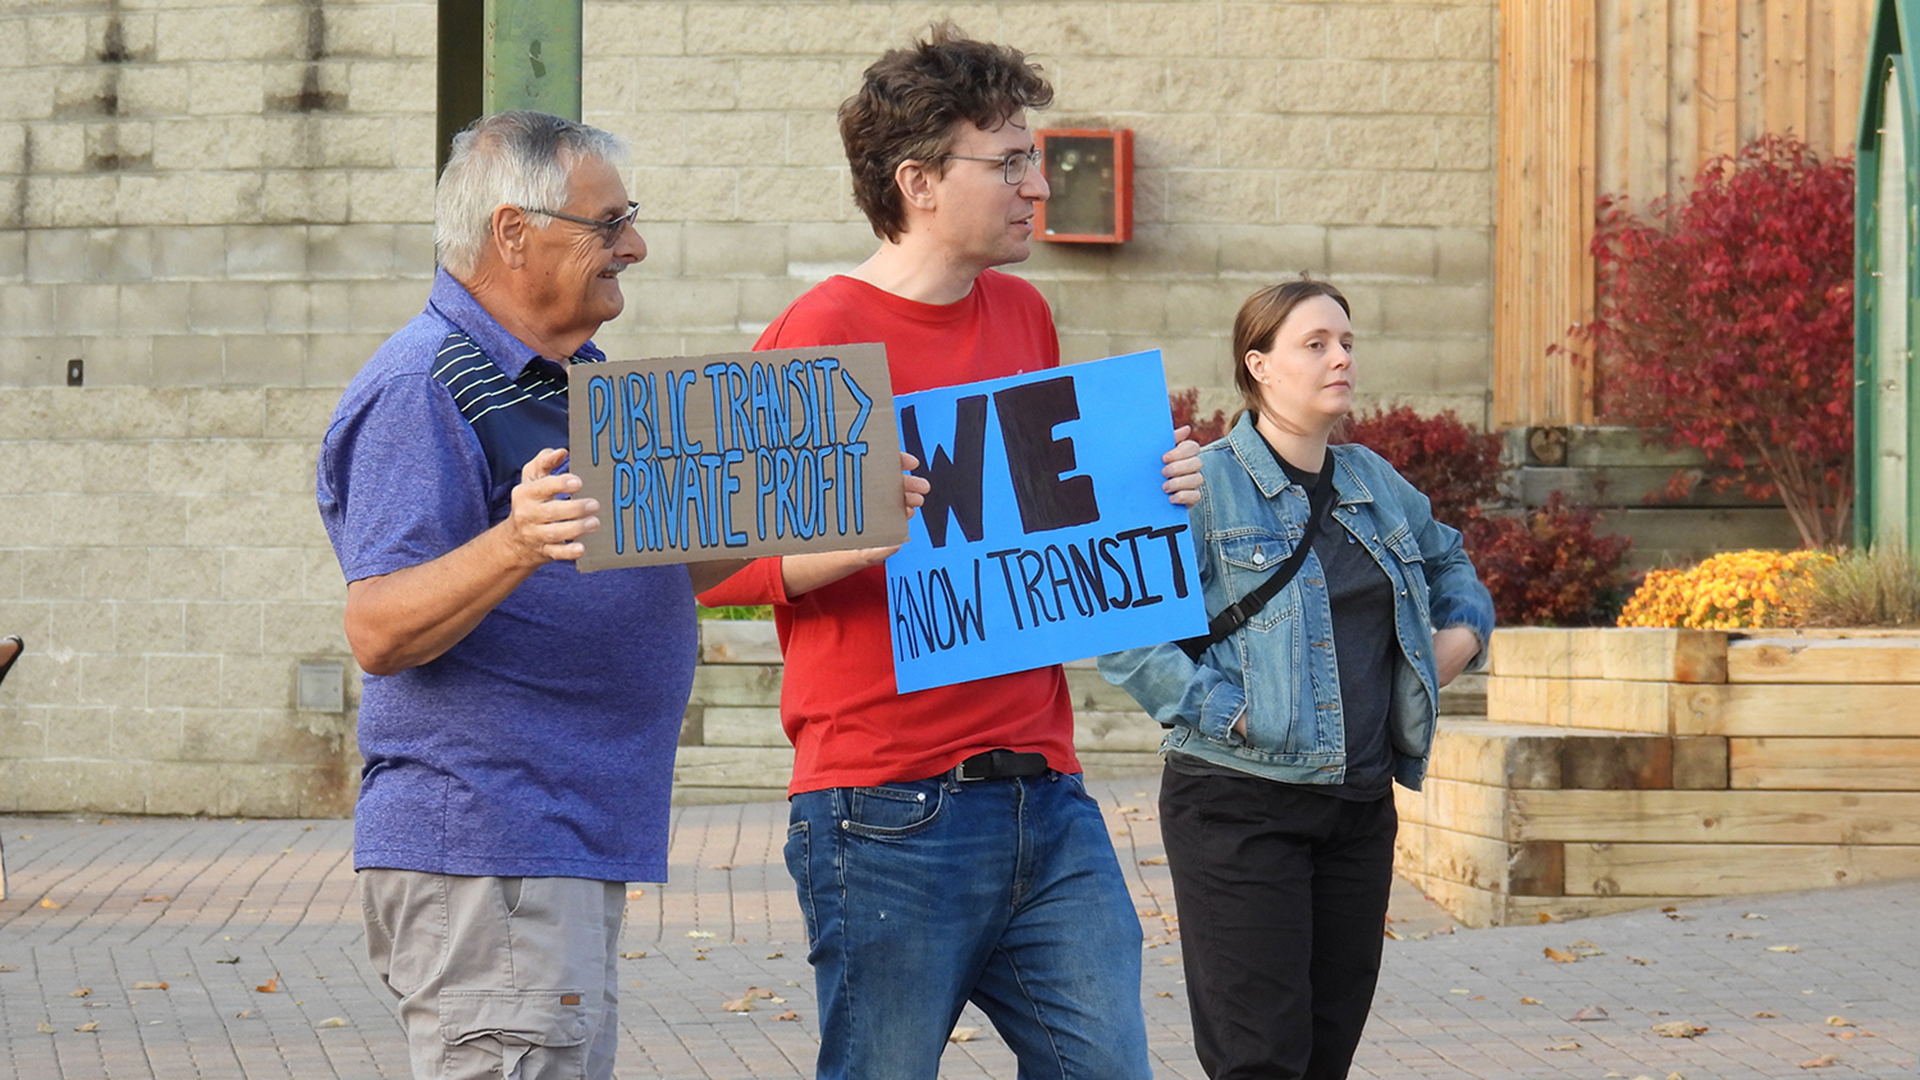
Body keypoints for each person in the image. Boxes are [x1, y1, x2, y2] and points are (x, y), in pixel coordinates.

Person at [697, 24, 1202, 1080]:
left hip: (1047, 792)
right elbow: (707, 564)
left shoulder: (1026, 313)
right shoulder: (820, 330)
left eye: (1037, 158)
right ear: (919, 180)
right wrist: (838, 547)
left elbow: (1046, 533)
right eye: (1010, 160)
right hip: (885, 804)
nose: (1037, 186)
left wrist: (1150, 493)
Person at [315, 111, 747, 1080]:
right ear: (514, 233)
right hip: (494, 848)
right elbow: (378, 626)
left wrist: (848, 500)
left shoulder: (576, 379)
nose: (632, 246)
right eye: (609, 224)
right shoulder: (423, 387)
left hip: (564, 843)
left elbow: (666, 566)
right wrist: (513, 542)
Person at [1100, 279, 1496, 1080]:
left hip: (1358, 806)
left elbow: (1450, 559)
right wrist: (1230, 713)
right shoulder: (1199, 484)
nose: (1340, 357)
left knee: (1324, 1053)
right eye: (1315, 344)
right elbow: (1124, 637)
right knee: (1261, 1058)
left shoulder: (1373, 482)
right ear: (1260, 365)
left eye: (1346, 342)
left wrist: (1458, 638)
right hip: (1239, 803)